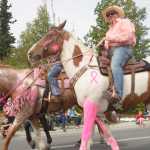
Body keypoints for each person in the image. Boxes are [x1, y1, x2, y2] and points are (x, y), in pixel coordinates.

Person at [100, 5, 136, 106]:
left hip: (124, 48)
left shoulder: (125, 22)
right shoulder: (109, 29)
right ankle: (109, 88)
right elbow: (107, 44)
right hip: (112, 50)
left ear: (117, 14)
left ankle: (118, 95)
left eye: (112, 13)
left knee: (115, 65)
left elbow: (127, 36)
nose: (110, 15)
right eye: (108, 14)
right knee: (99, 64)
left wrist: (109, 38)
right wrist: (104, 45)